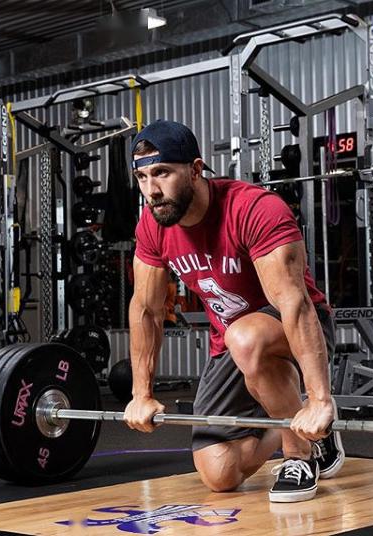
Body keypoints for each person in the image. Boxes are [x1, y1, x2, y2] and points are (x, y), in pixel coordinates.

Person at [124, 119, 345, 503]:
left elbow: (293, 304)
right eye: (142, 177)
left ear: (195, 170)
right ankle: (289, 417)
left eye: (162, 173)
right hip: (231, 343)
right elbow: (146, 309)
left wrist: (321, 398)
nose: (152, 190)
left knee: (245, 338)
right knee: (220, 472)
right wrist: (141, 394)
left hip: (295, 329)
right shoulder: (152, 226)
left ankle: (301, 452)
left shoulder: (254, 209)